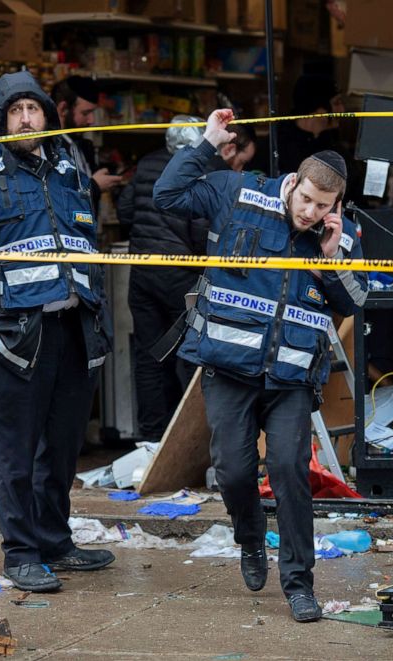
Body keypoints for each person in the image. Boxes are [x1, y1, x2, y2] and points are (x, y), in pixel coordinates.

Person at [154, 109, 368, 622]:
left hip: (291, 379)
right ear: (292, 183)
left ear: (336, 205)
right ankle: (250, 540)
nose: (311, 213)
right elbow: (167, 196)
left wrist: (331, 255)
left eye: (323, 207)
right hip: (229, 368)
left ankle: (299, 584)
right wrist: (206, 145)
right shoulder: (239, 193)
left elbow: (353, 302)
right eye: (306, 201)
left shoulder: (340, 234)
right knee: (232, 469)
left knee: (292, 470)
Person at [0, 71, 114, 593]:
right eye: (15, 111)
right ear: (0, 120)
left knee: (60, 449)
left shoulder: (68, 173)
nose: (26, 118)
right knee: (13, 453)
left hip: (74, 333)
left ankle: (55, 541)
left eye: (33, 109)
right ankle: (20, 553)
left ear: (47, 117)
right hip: (15, 338)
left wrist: (97, 321)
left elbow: (89, 252)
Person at [116, 118, 256, 442]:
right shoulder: (208, 164)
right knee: (193, 358)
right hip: (184, 277)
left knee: (150, 356)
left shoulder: (148, 162)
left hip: (142, 274)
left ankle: (151, 438)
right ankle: (190, 442)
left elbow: (125, 211)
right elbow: (202, 228)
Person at [50, 75, 123, 201]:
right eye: (85, 113)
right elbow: (57, 199)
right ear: (63, 109)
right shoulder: (48, 148)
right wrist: (95, 186)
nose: (91, 120)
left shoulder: (82, 145)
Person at [276, 74, 348, 175]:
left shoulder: (335, 147)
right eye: (336, 103)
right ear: (316, 108)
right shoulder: (277, 145)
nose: (342, 110)